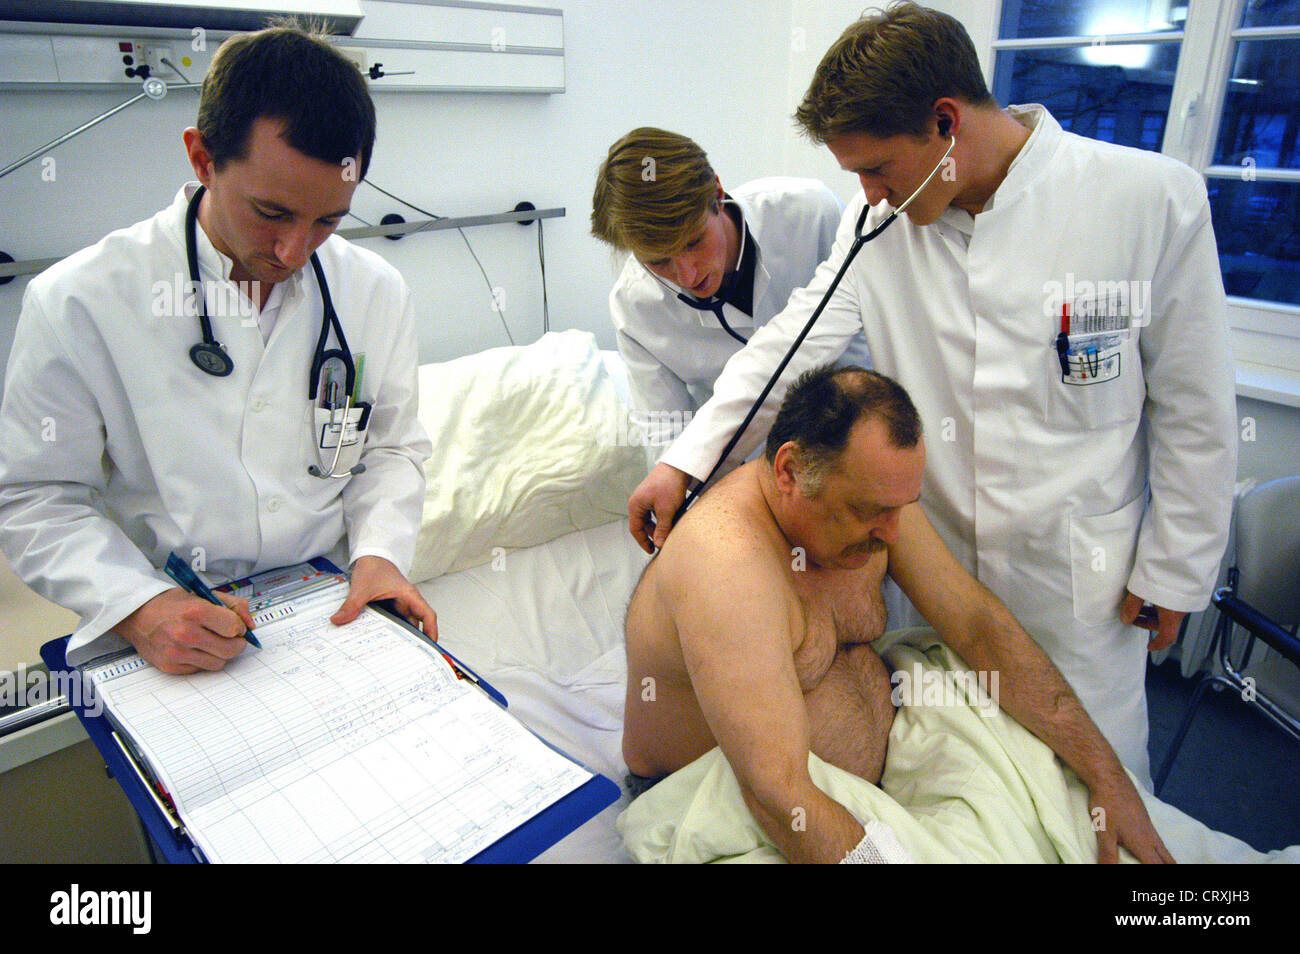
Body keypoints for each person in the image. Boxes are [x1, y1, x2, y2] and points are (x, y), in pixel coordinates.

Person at [626, 3, 1237, 787]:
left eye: (877, 169)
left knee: (1099, 788)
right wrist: (684, 463)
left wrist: (1176, 567)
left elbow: (1196, 409)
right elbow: (786, 348)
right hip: (938, 574)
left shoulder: (1148, 200)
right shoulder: (879, 227)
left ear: (945, 123)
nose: (870, 194)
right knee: (954, 782)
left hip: (1078, 582)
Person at [0, 25, 436, 674]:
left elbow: (392, 448)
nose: (294, 251)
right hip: (170, 622)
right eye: (272, 212)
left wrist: (379, 555)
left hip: (331, 609)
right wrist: (139, 608)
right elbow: (36, 498)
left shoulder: (374, 291)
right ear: (203, 159)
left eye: (328, 220)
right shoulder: (81, 302)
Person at [624, 365, 1172, 864]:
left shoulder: (874, 508)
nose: (892, 534)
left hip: (889, 770)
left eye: (900, 509)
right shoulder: (727, 565)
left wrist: (1106, 774)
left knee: (1098, 838)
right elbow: (777, 792)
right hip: (736, 808)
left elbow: (977, 625)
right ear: (790, 471)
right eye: (869, 512)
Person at [591, 127, 867, 450]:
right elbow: (668, 436)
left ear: (718, 194)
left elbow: (872, 330)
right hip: (741, 459)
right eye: (659, 261)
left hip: (853, 426)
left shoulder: (811, 213)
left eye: (694, 242)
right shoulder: (634, 306)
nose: (687, 274)